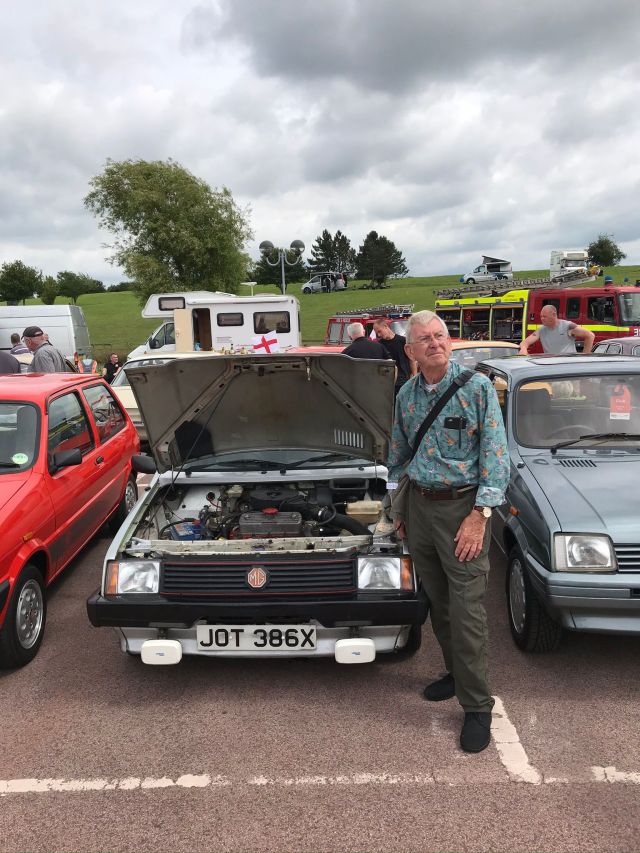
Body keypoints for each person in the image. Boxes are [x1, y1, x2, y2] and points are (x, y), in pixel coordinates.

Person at [387, 309, 509, 754]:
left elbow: (497, 458)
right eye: (425, 338)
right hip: (420, 508)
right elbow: (397, 454)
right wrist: (397, 506)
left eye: (440, 335)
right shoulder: (406, 395)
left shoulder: (476, 388)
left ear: (450, 342)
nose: (435, 343)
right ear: (411, 349)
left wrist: (479, 516)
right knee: (438, 602)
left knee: (468, 610)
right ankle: (456, 674)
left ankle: (477, 707)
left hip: (462, 511)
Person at [519, 305, 594, 355]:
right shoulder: (541, 330)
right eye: (541, 316)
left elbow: (590, 335)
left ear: (554, 315)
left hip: (568, 366)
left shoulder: (568, 326)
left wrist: (584, 357)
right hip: (551, 367)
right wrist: (523, 349)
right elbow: (524, 343)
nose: (542, 319)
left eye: (544, 316)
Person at [373, 318, 417, 395]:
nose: (379, 335)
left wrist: (414, 376)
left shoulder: (403, 341)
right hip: (388, 384)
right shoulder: (379, 345)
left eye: (379, 331)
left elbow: (412, 360)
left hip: (404, 381)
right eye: (377, 333)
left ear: (386, 326)